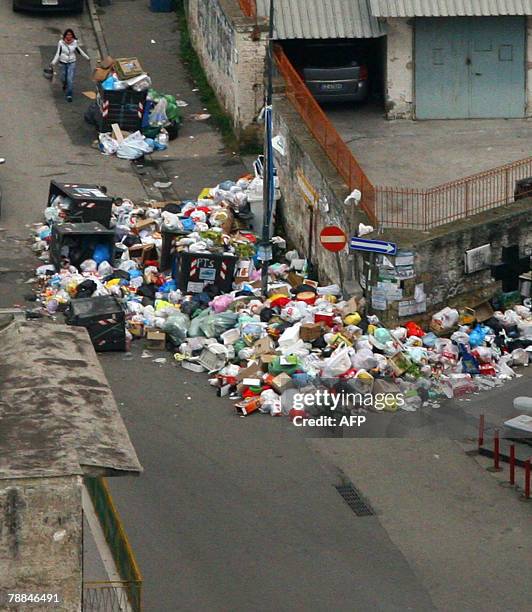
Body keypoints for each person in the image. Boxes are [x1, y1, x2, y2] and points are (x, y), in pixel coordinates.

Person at [51, 29, 90, 103]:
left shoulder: (75, 42)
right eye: (68, 35)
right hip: (62, 62)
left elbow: (79, 51)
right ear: (65, 36)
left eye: (70, 35)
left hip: (71, 62)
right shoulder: (61, 43)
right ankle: (64, 84)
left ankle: (69, 95)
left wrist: (87, 57)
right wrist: (53, 62)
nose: (69, 36)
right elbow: (58, 53)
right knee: (63, 77)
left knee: (70, 79)